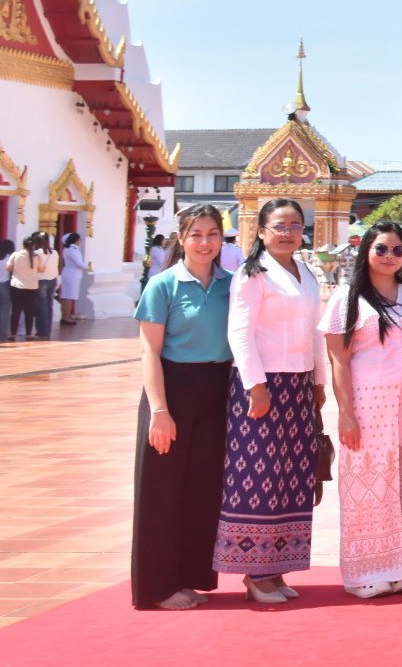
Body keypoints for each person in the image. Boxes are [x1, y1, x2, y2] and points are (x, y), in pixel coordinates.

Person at [214, 198, 326, 605]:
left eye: (295, 225)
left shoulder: (306, 273)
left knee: (291, 475)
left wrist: (318, 380)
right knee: (257, 476)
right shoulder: (251, 273)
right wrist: (255, 386)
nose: (288, 231)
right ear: (260, 231)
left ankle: (277, 566)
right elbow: (239, 332)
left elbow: (314, 331)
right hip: (261, 384)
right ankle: (254, 572)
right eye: (279, 225)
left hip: (298, 383)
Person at [129, 204, 233, 609]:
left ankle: (189, 576)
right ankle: (156, 587)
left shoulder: (232, 284)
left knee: (201, 490)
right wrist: (159, 410)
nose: (205, 243)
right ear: (181, 239)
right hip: (171, 390)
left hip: (217, 390)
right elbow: (148, 352)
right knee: (161, 491)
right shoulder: (164, 285)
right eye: (196, 235)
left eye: (212, 235)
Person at [320, 221, 402, 599]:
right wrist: (345, 413)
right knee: (368, 481)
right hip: (368, 399)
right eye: (381, 248)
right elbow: (337, 360)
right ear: (366, 251)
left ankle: (398, 567)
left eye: (398, 250)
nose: (390, 256)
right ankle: (365, 571)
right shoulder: (348, 297)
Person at [8, 233, 44, 340]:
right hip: (32, 286)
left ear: (23, 245)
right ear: (34, 246)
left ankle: (13, 333)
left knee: (16, 311)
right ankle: (29, 333)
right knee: (29, 311)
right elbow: (41, 269)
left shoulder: (15, 255)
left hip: (17, 286)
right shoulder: (37, 257)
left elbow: (8, 268)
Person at [33, 233, 59, 337]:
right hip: (52, 280)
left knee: (41, 307)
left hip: (41, 280)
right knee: (49, 306)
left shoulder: (36, 253)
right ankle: (47, 330)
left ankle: (42, 331)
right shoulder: (55, 252)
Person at [59, 232, 86, 324]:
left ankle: (65, 316)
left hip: (69, 272)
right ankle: (66, 317)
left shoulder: (68, 249)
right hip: (72, 274)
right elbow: (79, 263)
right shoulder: (72, 249)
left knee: (67, 295)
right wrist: (87, 266)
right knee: (69, 296)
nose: (80, 241)